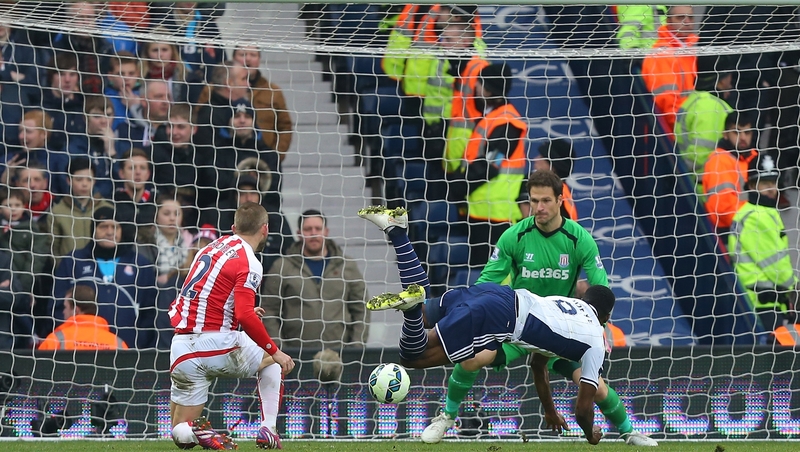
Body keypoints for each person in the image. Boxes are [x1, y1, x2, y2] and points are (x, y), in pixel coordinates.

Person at [426, 170, 655, 446]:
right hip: (516, 324)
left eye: (546, 200)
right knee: (472, 357)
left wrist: (599, 328)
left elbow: (600, 289)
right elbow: (486, 282)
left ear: (560, 200)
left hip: (561, 330)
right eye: (534, 201)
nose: (539, 207)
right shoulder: (514, 236)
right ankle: (447, 417)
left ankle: (629, 432)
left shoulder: (579, 239)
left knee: (596, 388)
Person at [357, 205, 611, 445]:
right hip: (499, 319)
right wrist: (590, 434)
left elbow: (537, 364)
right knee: (413, 356)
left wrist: (550, 410)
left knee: (423, 312)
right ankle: (410, 307)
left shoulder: (569, 304)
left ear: (584, 300)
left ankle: (397, 231)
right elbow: (583, 409)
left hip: (497, 293)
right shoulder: (595, 339)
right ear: (604, 316)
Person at [167, 202, 294, 450]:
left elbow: (207, 295)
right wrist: (276, 351)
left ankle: (197, 433)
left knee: (179, 430)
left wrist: (235, 314)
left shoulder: (210, 247)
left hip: (181, 347)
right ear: (265, 229)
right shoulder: (249, 261)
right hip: (214, 342)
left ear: (234, 228)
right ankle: (268, 429)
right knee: (273, 359)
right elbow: (245, 315)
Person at [448, 63, 527, 267]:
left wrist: (458, 185)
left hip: (496, 217)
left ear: (490, 90)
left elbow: (490, 165)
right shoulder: (492, 117)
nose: (475, 86)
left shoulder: (507, 123)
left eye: (480, 83)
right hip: (481, 211)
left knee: (491, 275)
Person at [262, 209, 369, 349]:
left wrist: (356, 346)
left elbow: (361, 307)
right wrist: (279, 349)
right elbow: (269, 310)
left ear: (326, 232)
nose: (313, 233)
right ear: (299, 233)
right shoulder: (282, 267)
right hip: (295, 352)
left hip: (339, 351)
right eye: (308, 229)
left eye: (318, 228)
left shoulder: (346, 265)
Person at [53, 205, 157, 348]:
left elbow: (150, 311)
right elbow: (58, 306)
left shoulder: (140, 264)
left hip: (129, 349)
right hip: (81, 347)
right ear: (93, 230)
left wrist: (139, 341)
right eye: (103, 226)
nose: (110, 232)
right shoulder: (73, 261)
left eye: (115, 227)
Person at [729, 154, 798, 333]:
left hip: (764, 300)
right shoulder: (756, 216)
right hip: (760, 302)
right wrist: (794, 288)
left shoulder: (759, 212)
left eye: (773, 183)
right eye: (765, 184)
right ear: (753, 186)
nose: (771, 189)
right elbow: (774, 264)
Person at [674, 55, 735, 181]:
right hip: (705, 185)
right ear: (722, 80)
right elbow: (701, 155)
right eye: (729, 75)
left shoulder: (693, 100)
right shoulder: (712, 108)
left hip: (691, 180)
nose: (731, 80)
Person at [641, 5, 698, 133]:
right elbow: (667, 105)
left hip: (684, 125)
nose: (687, 22)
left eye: (690, 18)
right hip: (673, 131)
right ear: (669, 21)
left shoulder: (686, 51)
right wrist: (687, 129)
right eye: (680, 18)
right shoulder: (662, 54)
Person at [230, 45, 293, 160]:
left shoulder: (273, 91)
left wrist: (275, 156)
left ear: (259, 60)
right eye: (242, 54)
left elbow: (285, 127)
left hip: (264, 161)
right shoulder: (219, 89)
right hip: (227, 160)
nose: (248, 59)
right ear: (233, 58)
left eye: (253, 55)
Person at [702, 112, 758, 236]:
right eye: (736, 132)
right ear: (725, 134)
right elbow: (723, 208)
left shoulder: (753, 158)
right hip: (729, 232)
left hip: (748, 227)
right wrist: (757, 221)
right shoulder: (719, 161)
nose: (743, 137)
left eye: (747, 133)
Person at [47, 156, 112, 261]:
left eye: (89, 179)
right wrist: (63, 268)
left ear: (94, 181)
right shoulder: (57, 212)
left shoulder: (107, 209)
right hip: (69, 269)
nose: (84, 184)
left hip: (101, 268)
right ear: (69, 180)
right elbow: (53, 249)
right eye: (79, 179)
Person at [38, 283, 128, 350]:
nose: (63, 311)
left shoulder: (54, 341)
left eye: (65, 307)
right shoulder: (118, 344)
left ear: (76, 310)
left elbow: (39, 368)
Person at [526, 140, 577, 220]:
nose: (536, 159)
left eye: (542, 157)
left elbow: (529, 221)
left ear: (553, 166)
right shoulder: (562, 191)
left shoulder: (556, 196)